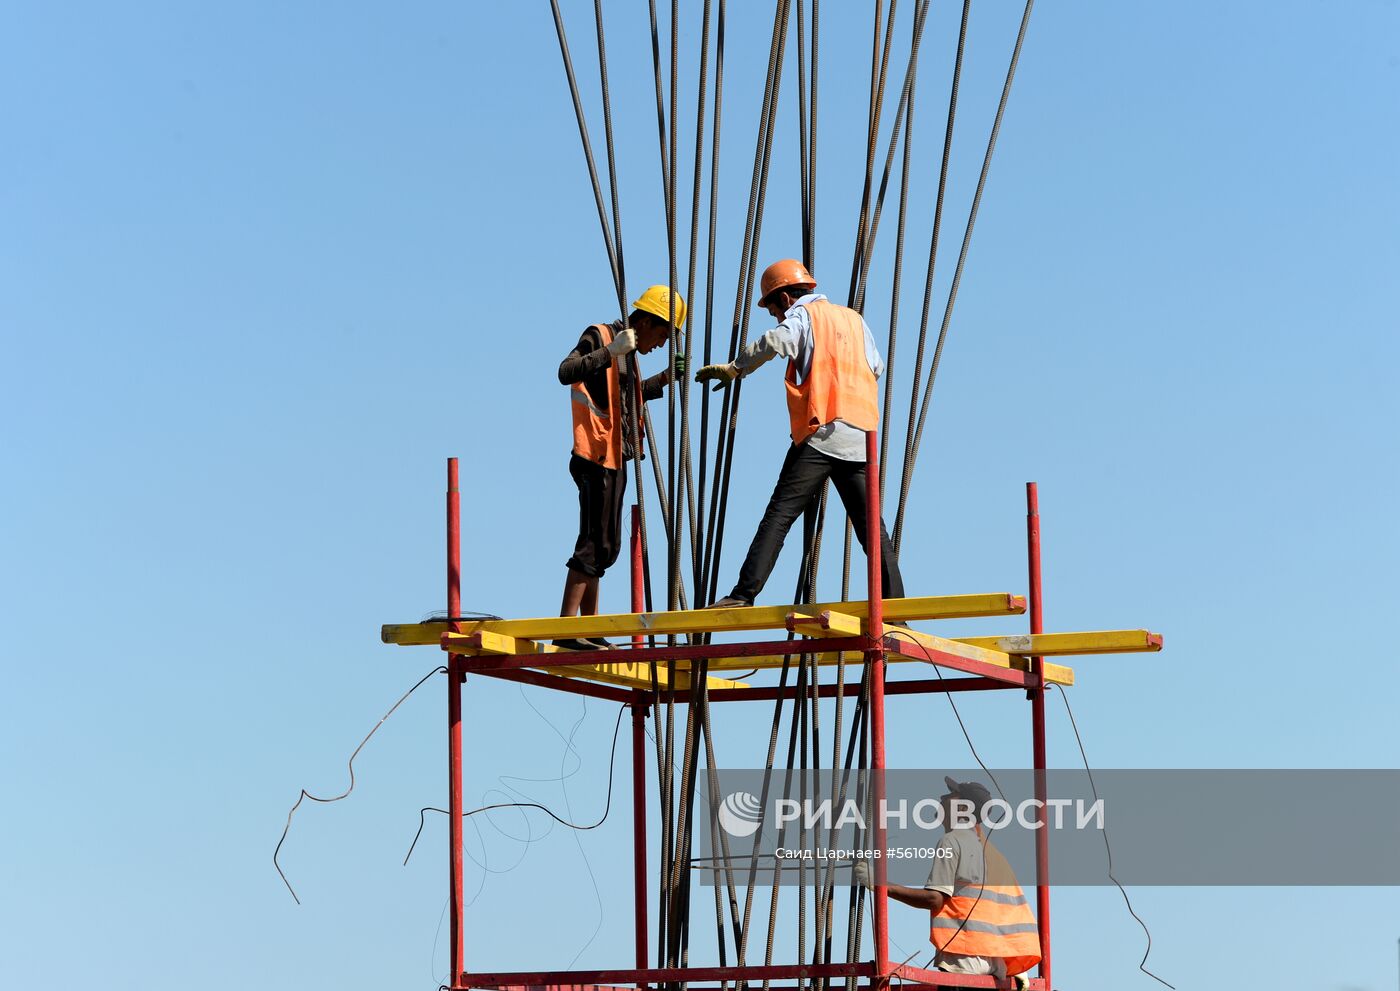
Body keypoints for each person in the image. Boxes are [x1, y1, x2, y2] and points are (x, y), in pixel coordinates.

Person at [694, 258, 904, 609]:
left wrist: (735, 368)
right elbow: (876, 367)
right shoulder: (855, 320)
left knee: (779, 515)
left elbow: (776, 341)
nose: (776, 316)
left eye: (774, 309)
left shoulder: (803, 316)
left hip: (821, 432)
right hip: (861, 437)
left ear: (786, 298)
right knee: (873, 530)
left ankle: (743, 594)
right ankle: (897, 609)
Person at [556, 285, 686, 650]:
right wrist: (610, 352)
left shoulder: (630, 351)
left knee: (606, 545)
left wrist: (663, 380)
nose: (662, 343)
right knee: (593, 541)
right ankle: (567, 629)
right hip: (594, 452)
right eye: (662, 334)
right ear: (645, 321)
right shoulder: (602, 335)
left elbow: (626, 395)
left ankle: (588, 629)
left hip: (616, 454)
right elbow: (566, 371)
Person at [852, 777, 1041, 983]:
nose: (941, 798)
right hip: (993, 964)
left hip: (962, 959)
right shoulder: (990, 852)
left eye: (950, 795)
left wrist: (881, 884)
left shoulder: (952, 841)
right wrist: (1013, 963)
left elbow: (935, 899)